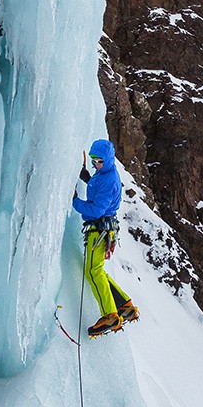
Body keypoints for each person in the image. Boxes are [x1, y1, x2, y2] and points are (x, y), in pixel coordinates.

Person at [71, 139, 140, 337]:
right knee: (97, 269)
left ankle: (110, 315)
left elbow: (96, 209)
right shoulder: (105, 174)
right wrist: (87, 177)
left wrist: (75, 201)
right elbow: (98, 186)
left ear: (108, 160)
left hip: (99, 229)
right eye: (93, 161)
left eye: (99, 161)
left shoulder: (109, 179)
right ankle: (124, 306)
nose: (95, 165)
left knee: (93, 272)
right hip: (104, 229)